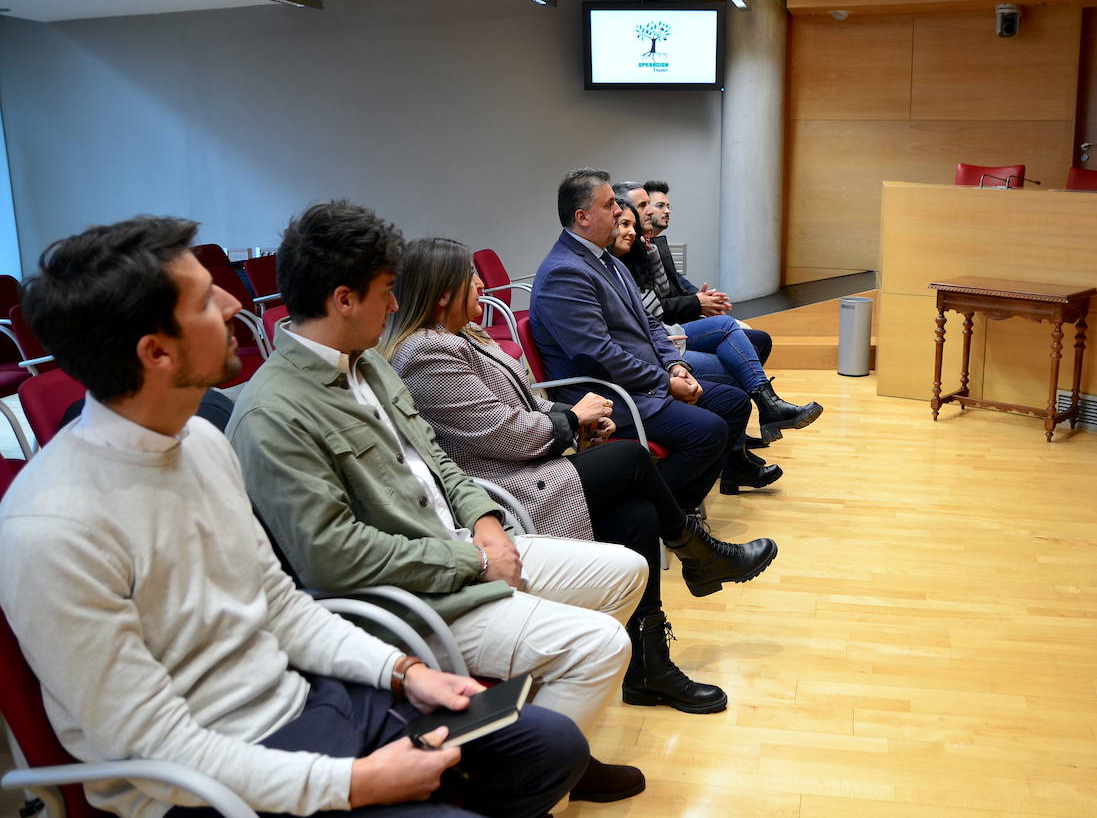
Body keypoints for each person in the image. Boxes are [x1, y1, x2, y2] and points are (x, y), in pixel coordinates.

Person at [0, 216, 588, 818]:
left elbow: (280, 605)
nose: (234, 304)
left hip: (308, 705)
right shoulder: (52, 527)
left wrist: (403, 671)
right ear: (155, 352)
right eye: (205, 300)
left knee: (550, 747)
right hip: (206, 781)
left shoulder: (201, 442)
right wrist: (354, 784)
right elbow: (156, 745)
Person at [225, 201, 649, 803]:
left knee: (626, 570)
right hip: (413, 595)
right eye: (385, 291)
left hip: (463, 549)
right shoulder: (274, 413)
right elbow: (332, 558)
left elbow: (440, 461)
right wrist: (475, 562)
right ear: (344, 299)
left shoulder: (368, 361)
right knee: (600, 646)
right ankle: (540, 784)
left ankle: (548, 745)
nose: (396, 305)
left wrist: (487, 524)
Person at [381, 236, 780, 713]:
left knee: (637, 515)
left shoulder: (466, 336)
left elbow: (528, 402)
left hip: (530, 463)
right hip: (505, 488)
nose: (482, 284)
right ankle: (696, 552)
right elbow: (501, 432)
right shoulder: (425, 353)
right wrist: (572, 420)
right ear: (442, 293)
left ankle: (650, 667)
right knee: (632, 460)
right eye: (470, 277)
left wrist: (579, 418)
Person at [528, 168, 779, 510]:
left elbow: (650, 323)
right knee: (709, 432)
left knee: (733, 404)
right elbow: (598, 356)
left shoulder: (606, 260)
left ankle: (675, 512)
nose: (619, 211)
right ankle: (654, 514)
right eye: (608, 206)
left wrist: (675, 365)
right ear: (582, 217)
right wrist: (665, 382)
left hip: (643, 383)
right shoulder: (565, 272)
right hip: (611, 395)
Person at [612, 189, 822, 445]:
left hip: (666, 335)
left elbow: (671, 287)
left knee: (754, 340)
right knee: (737, 357)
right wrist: (694, 305)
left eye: (656, 206)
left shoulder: (641, 250)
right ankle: (750, 431)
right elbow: (653, 312)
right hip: (662, 343)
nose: (654, 211)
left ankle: (755, 423)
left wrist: (699, 301)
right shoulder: (615, 263)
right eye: (645, 206)